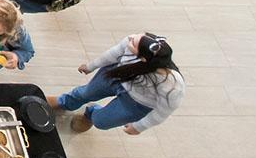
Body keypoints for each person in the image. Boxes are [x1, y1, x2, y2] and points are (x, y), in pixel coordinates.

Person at [52, 32, 184, 135]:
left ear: (143, 59)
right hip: (118, 75)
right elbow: (112, 54)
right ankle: (64, 102)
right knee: (85, 92)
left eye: (134, 43)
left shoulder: (172, 87)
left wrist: (139, 127)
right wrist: (91, 66)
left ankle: (90, 115)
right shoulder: (132, 40)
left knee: (102, 122)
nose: (131, 38)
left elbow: (162, 112)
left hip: (138, 103)